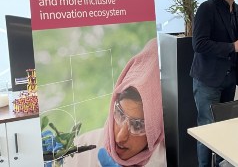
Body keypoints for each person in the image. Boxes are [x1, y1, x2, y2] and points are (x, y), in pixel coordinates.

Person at [66, 38, 166, 167]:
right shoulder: (78, 151)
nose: (120, 137)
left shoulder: (168, 160)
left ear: (156, 131)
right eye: (119, 114)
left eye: (137, 126)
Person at [190, 0, 238, 167]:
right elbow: (199, 44)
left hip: (229, 80)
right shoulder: (207, 8)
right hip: (208, 80)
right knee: (207, 129)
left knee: (225, 128)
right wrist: (232, 46)